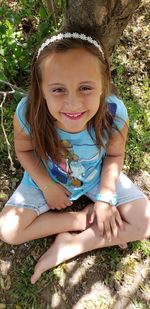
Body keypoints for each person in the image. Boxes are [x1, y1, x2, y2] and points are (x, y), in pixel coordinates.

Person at [0, 26, 150, 285]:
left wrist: (104, 198)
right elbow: (24, 150)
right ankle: (82, 220)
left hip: (96, 177)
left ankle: (73, 245)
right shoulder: (28, 113)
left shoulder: (115, 113)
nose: (73, 104)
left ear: (104, 85)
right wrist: (47, 186)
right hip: (47, 176)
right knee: (8, 230)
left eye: (85, 88)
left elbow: (114, 156)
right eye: (58, 90)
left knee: (146, 221)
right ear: (41, 89)